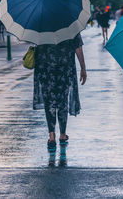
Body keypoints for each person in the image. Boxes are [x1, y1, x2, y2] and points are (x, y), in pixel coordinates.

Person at [33, 33, 87, 166]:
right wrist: (83, 68)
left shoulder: (41, 26)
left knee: (49, 102)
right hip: (65, 68)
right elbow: (78, 48)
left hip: (46, 69)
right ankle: (62, 134)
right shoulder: (71, 25)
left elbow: (36, 48)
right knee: (62, 101)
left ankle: (51, 135)